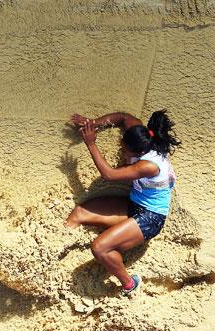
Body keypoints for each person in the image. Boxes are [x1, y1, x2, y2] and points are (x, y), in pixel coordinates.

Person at [65, 110, 180, 296]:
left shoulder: (148, 166)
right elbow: (123, 117)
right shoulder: (140, 134)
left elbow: (109, 175)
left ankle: (129, 283)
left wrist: (91, 143)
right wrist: (93, 123)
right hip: (133, 205)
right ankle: (59, 246)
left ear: (140, 152)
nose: (122, 149)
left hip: (150, 218)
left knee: (99, 248)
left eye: (125, 149)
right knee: (79, 212)